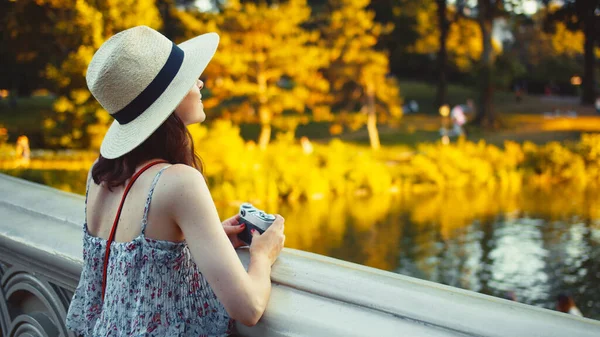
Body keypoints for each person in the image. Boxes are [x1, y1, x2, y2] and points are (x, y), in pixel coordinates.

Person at [65, 26, 285, 336]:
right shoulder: (179, 183)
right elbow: (248, 308)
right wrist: (264, 254)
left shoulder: (98, 175)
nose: (200, 82)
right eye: (190, 78)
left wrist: (204, 238)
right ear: (170, 98)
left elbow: (131, 267)